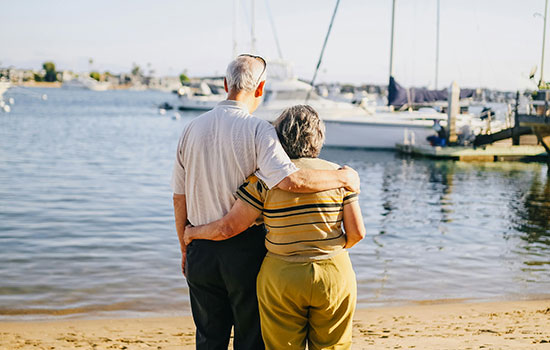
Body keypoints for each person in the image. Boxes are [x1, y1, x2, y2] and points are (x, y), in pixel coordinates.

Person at [171, 55, 360, 350]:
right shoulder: (260, 130)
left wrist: (186, 244)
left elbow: (178, 196)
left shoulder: (190, 129)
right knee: (250, 339)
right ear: (260, 89)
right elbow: (291, 181)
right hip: (245, 252)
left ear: (224, 85)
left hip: (200, 250)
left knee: (208, 338)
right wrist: (345, 178)